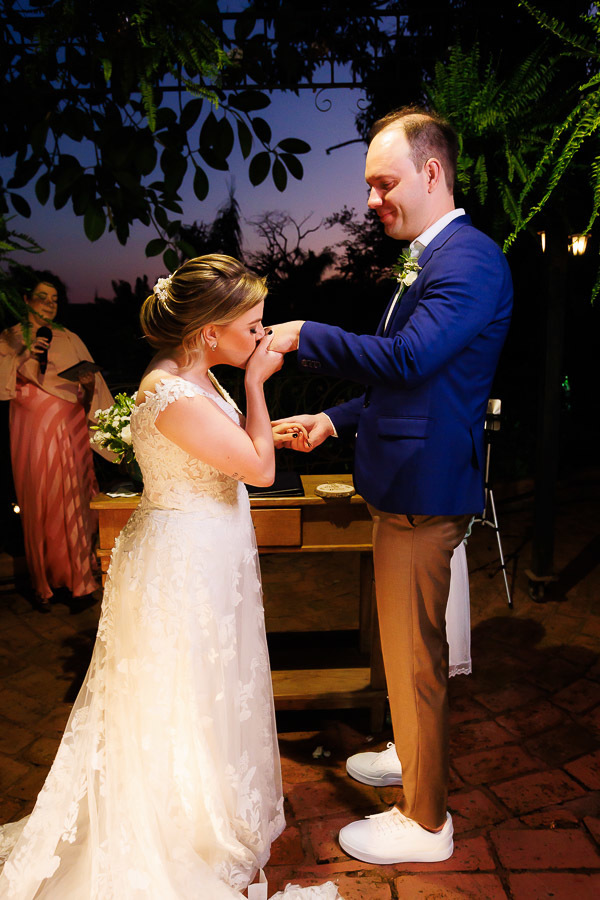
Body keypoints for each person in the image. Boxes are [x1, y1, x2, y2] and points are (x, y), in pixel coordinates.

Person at [0, 255, 341, 900]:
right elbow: (259, 473)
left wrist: (269, 430)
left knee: (207, 688)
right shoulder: (167, 392)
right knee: (180, 693)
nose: (262, 337)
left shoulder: (194, 377)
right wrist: (262, 391)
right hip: (185, 562)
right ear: (208, 332)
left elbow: (230, 446)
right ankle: (177, 827)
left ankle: (209, 805)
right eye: (253, 326)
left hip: (207, 551)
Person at [268, 107, 513, 865]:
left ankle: (426, 821)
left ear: (431, 173)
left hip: (425, 489)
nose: (373, 200)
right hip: (401, 478)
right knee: (405, 647)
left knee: (415, 658)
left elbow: (404, 360)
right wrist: (333, 422)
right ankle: (412, 752)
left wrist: (307, 334)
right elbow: (407, 388)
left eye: (384, 183)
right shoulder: (431, 258)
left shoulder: (467, 260)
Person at [0, 277, 114, 607]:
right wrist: (23, 354)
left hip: (73, 429)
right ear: (25, 298)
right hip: (33, 431)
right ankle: (45, 583)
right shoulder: (10, 337)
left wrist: (88, 384)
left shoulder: (70, 338)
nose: (50, 303)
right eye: (42, 297)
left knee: (76, 499)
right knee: (42, 499)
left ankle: (80, 583)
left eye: (54, 298)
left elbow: (94, 395)